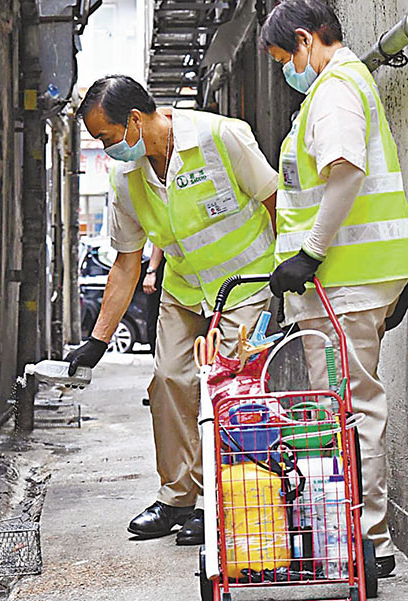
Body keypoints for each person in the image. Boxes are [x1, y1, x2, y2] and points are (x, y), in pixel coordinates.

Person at [66, 75, 278, 545]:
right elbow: (126, 262)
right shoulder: (126, 176)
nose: (106, 150)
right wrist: (99, 340)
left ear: (135, 120)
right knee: (169, 381)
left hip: (245, 282)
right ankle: (178, 497)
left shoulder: (221, 137)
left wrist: (295, 274)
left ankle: (222, 500)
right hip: (184, 289)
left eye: (106, 137)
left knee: (229, 386)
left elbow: (277, 203)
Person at [260, 0, 408, 578]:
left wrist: (309, 253)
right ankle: (360, 534)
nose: (285, 71)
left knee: (349, 409)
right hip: (348, 283)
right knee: (348, 408)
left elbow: (346, 171)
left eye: (283, 58)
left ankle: (368, 541)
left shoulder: (333, 91)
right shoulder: (340, 85)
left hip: (343, 283)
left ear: (305, 41)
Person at [142, 246, 165, 356]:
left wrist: (151, 271)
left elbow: (160, 242)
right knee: (153, 324)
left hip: (162, 268)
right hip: (153, 268)